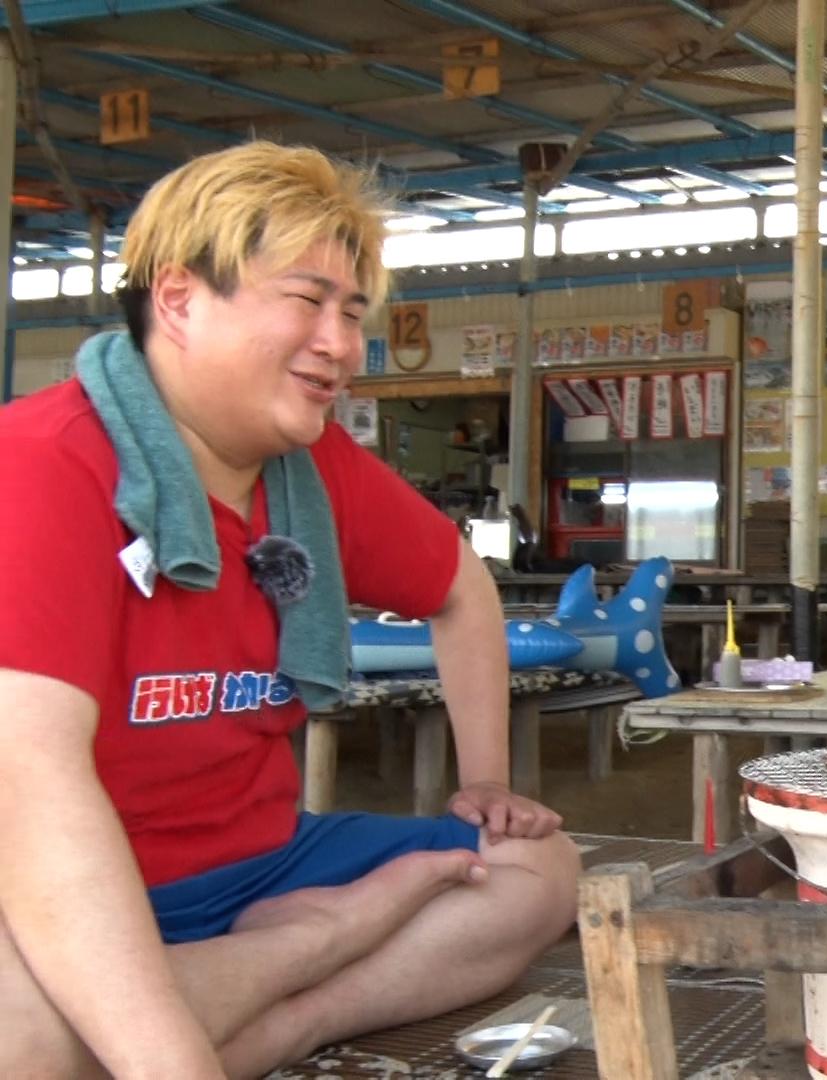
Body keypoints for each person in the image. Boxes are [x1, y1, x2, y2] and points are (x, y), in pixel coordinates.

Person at [0, 142, 580, 1078]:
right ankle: (313, 947)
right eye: (306, 302)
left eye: (351, 313)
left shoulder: (314, 474)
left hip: (259, 859)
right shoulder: (43, 462)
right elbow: (31, 790)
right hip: (57, 883)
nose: (341, 344)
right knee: (17, 1038)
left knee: (538, 872)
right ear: (180, 299)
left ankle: (279, 1022)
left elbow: (461, 589)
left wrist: (489, 782)